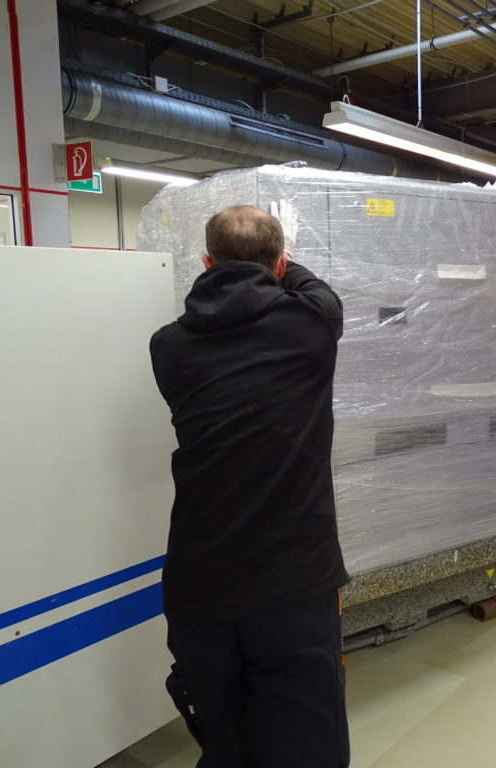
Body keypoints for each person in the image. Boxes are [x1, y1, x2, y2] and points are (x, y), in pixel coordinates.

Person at [150, 202, 350, 767]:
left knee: (226, 746)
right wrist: (279, 259)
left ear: (205, 262)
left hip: (199, 587)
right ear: (280, 263)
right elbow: (314, 286)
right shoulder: (313, 323)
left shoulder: (167, 348)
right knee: (308, 748)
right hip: (294, 585)